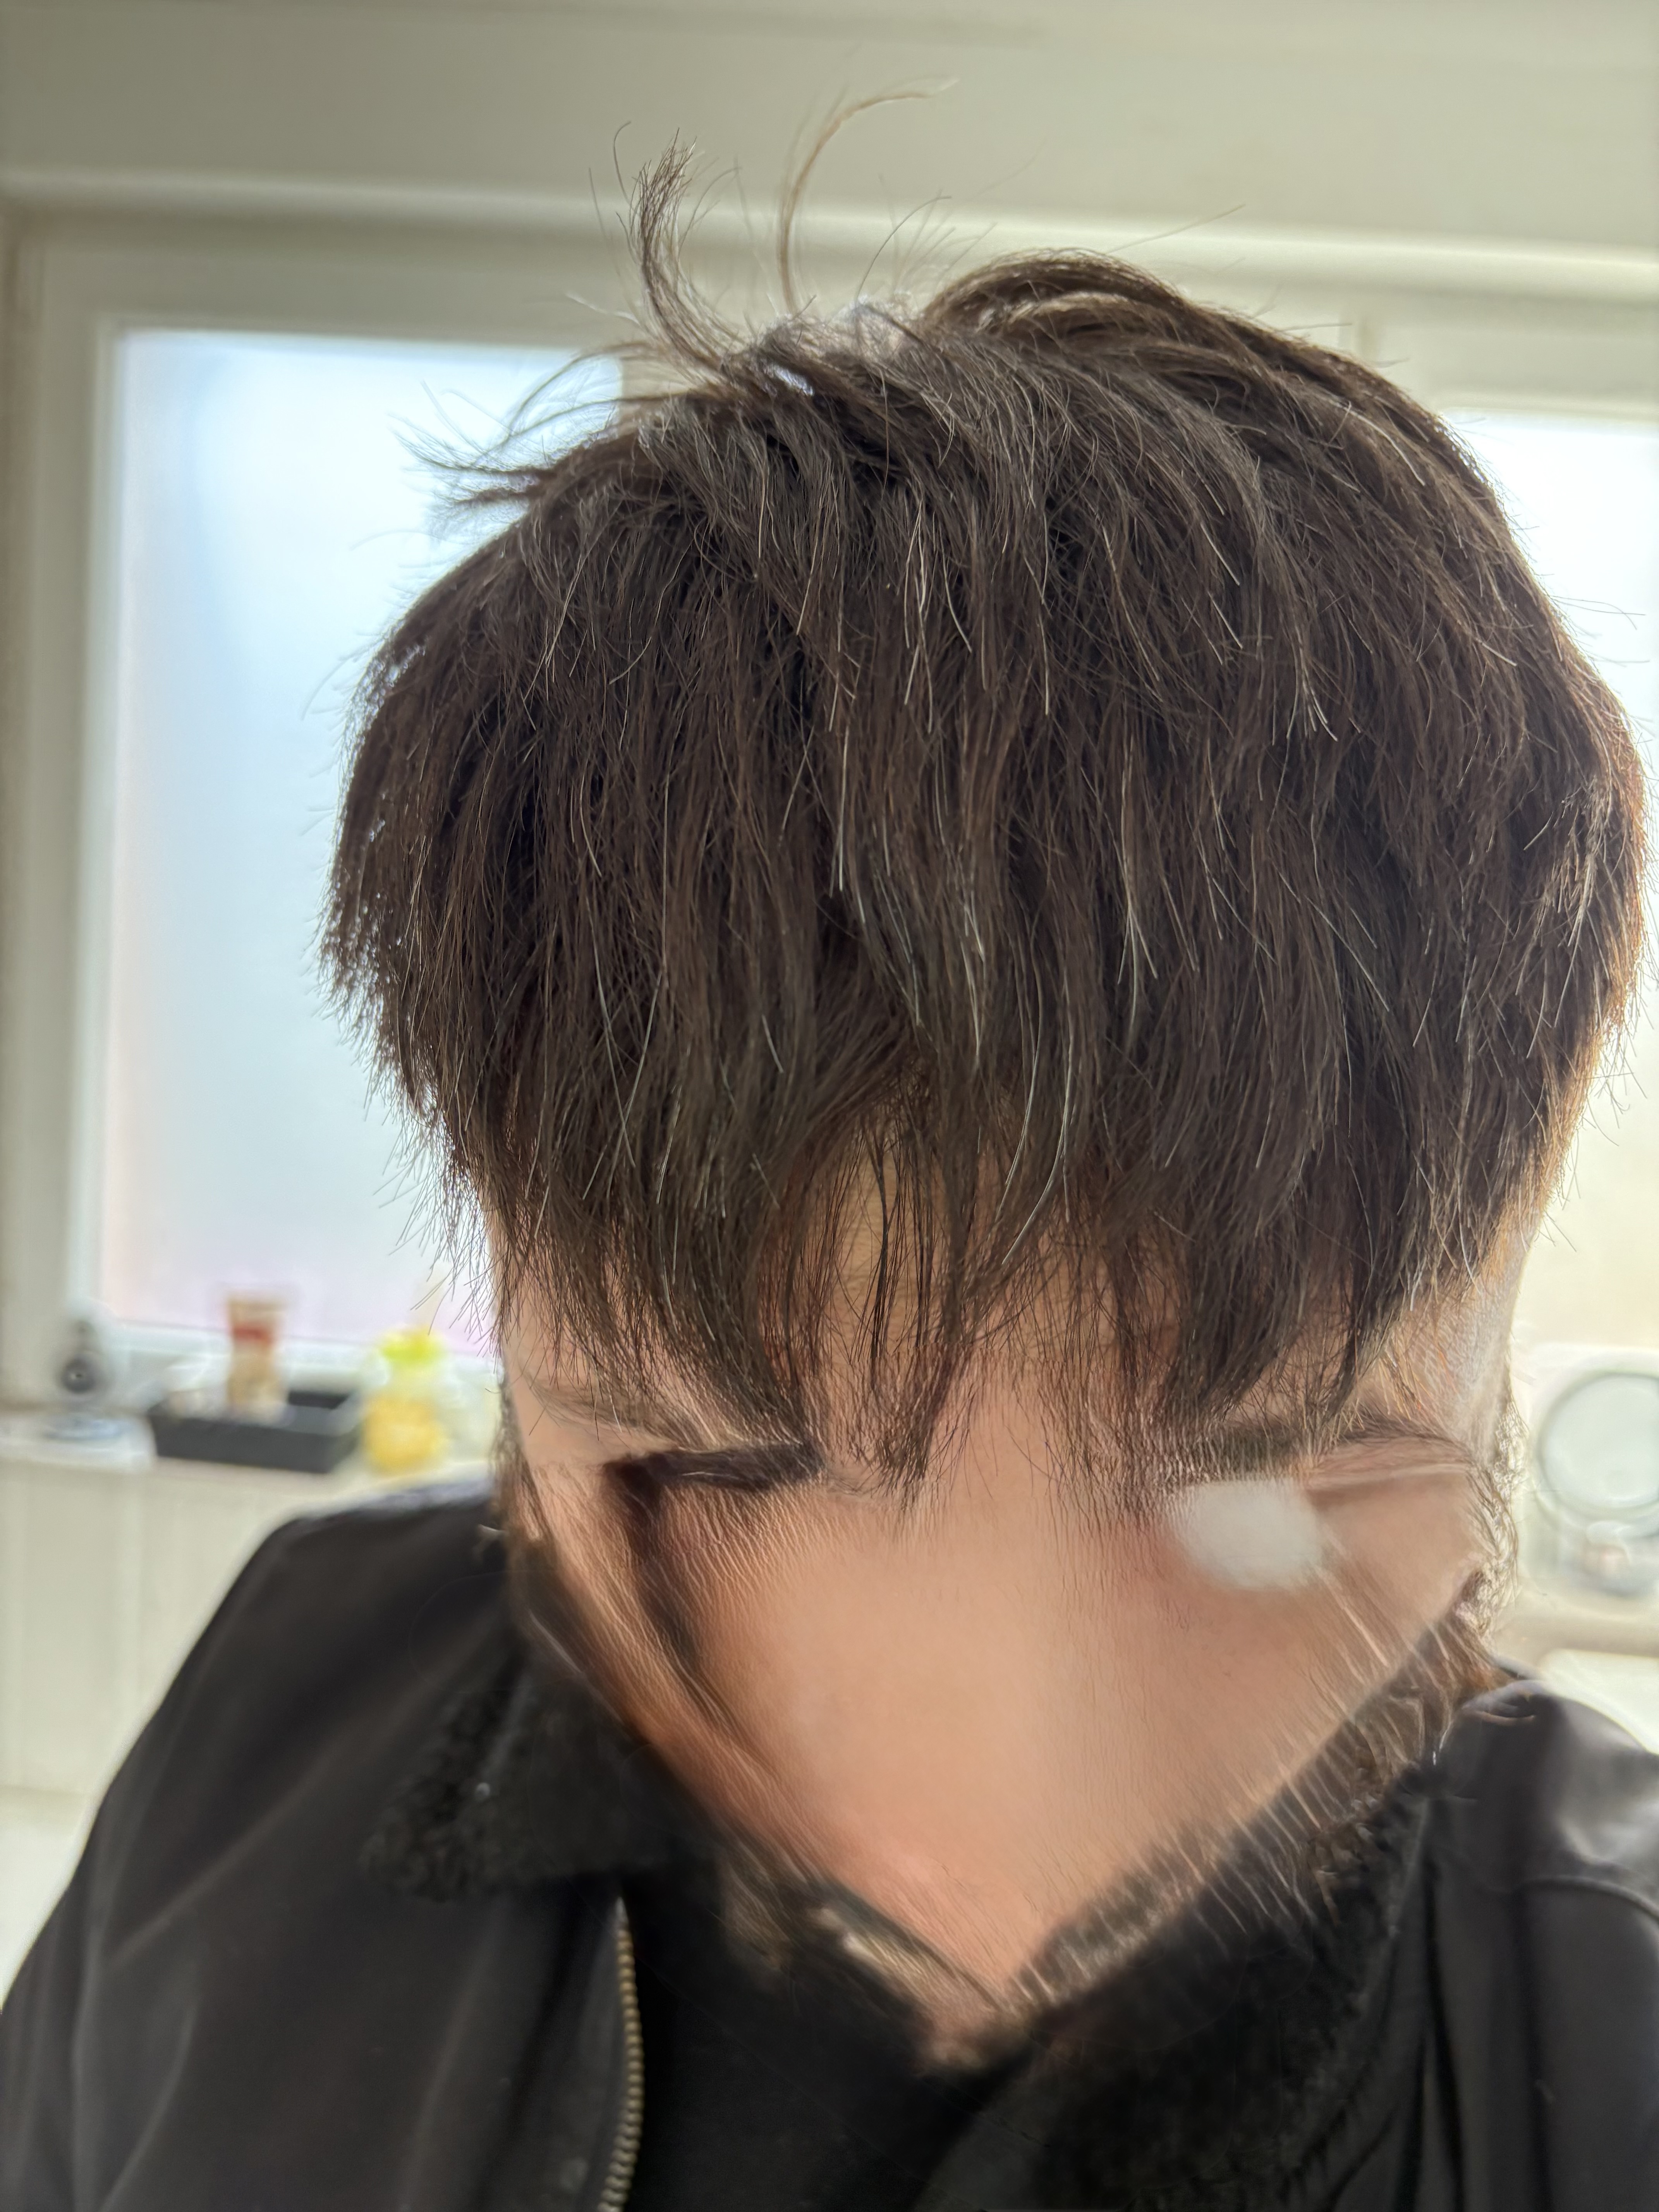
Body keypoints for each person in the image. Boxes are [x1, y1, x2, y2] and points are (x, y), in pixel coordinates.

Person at [4, 158, 1656, 2212]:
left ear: (1504, 1298)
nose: (975, 1859)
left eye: (1253, 1485)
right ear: (509, 1274)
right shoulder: (293, 1692)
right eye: (728, 1468)